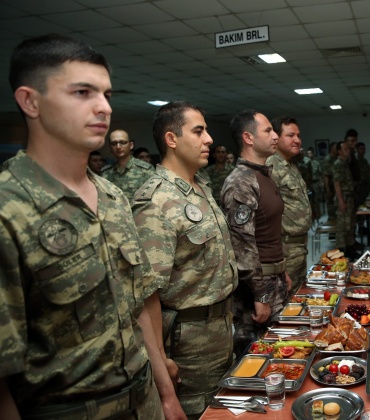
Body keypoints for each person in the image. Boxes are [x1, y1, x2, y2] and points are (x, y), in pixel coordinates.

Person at [0, 33, 180, 419]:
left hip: (144, 400)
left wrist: (166, 395)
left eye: (106, 94)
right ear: (30, 101)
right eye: (82, 92)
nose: (103, 107)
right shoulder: (8, 209)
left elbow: (140, 304)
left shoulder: (112, 197)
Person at [131, 101, 238, 418]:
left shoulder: (200, 186)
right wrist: (161, 365)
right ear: (171, 139)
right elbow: (146, 294)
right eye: (198, 131)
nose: (209, 139)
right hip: (188, 343)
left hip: (221, 328)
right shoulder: (156, 200)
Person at [220, 109, 292, 357]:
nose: (275, 136)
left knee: (280, 357)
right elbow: (242, 245)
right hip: (257, 288)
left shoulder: (262, 175)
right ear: (248, 138)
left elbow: (267, 231)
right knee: (258, 359)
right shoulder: (241, 181)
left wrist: (282, 270)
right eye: (268, 130)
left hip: (274, 279)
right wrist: (261, 295)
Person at [266, 116, 312, 293]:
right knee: (285, 298)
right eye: (290, 135)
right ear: (276, 138)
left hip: (298, 246)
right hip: (285, 248)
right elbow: (266, 214)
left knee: (298, 296)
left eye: (298, 135)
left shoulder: (290, 164)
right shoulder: (271, 166)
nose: (297, 140)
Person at [101, 129, 154, 202]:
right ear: (110, 147)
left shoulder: (146, 170)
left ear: (131, 145)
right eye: (114, 143)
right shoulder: (105, 172)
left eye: (122, 142)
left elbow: (154, 200)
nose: (118, 146)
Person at [333, 140, 360, 259]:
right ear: (339, 151)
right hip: (343, 197)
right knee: (342, 227)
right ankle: (340, 252)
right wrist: (341, 201)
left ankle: (350, 249)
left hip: (349, 197)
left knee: (350, 225)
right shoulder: (338, 164)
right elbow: (337, 183)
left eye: (348, 149)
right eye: (345, 149)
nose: (348, 151)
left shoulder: (346, 163)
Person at [321, 141, 339, 224]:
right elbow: (326, 176)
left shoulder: (336, 158)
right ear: (332, 149)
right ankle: (332, 226)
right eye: (336, 147)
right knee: (331, 208)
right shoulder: (328, 159)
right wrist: (328, 190)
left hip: (336, 187)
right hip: (330, 187)